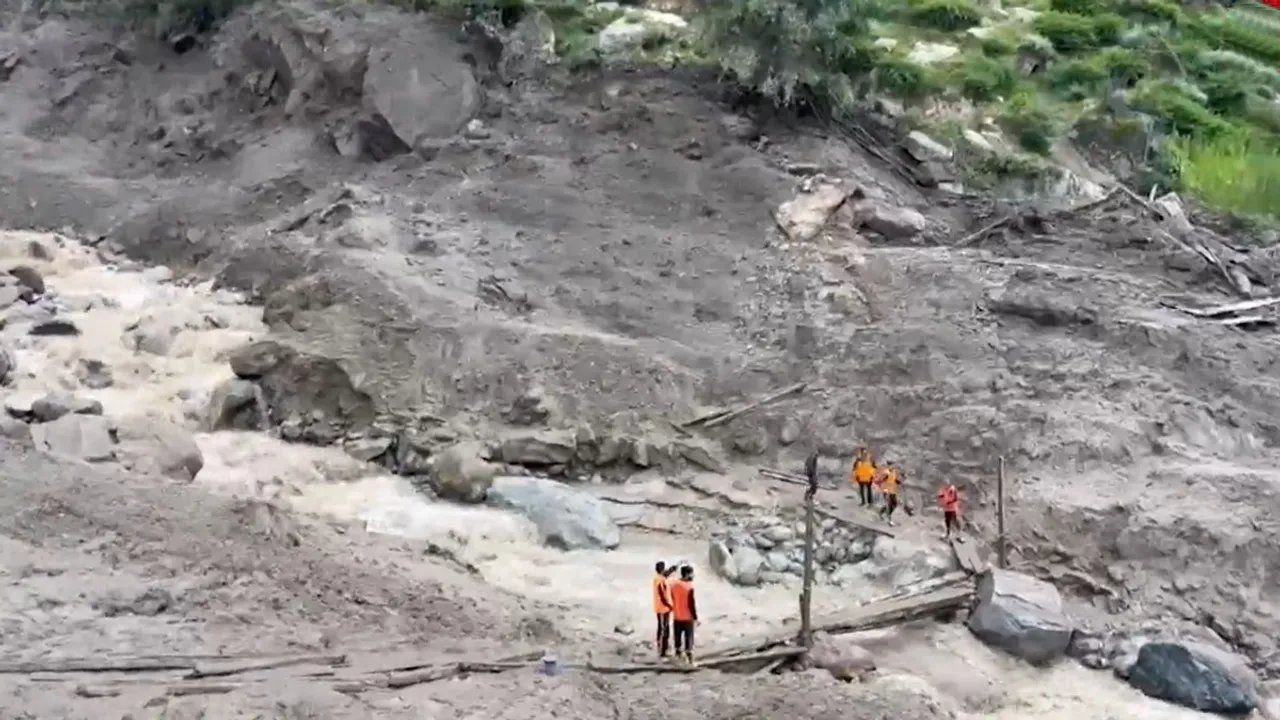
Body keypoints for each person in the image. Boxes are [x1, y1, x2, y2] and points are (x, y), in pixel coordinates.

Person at [670, 565, 699, 666]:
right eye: (691, 574)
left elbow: (672, 598)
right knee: (688, 639)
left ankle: (678, 659)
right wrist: (695, 617)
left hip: (676, 616)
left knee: (677, 639)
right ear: (687, 574)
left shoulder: (674, 585)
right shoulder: (689, 587)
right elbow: (691, 604)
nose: (693, 576)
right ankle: (690, 662)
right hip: (687, 618)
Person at [652, 561, 677, 659]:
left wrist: (671, 570)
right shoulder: (661, 581)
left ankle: (660, 645)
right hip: (664, 608)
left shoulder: (657, 578)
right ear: (662, 569)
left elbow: (665, 575)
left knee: (661, 627)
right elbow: (662, 595)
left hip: (658, 607)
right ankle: (662, 650)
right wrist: (669, 605)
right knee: (664, 629)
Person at [877, 461, 900, 526]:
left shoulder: (893, 471)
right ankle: (890, 521)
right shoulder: (885, 473)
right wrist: (882, 483)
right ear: (888, 466)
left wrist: (898, 482)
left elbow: (894, 479)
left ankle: (881, 512)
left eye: (893, 465)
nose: (892, 466)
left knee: (895, 504)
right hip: (886, 491)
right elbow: (880, 481)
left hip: (892, 490)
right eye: (891, 465)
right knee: (889, 505)